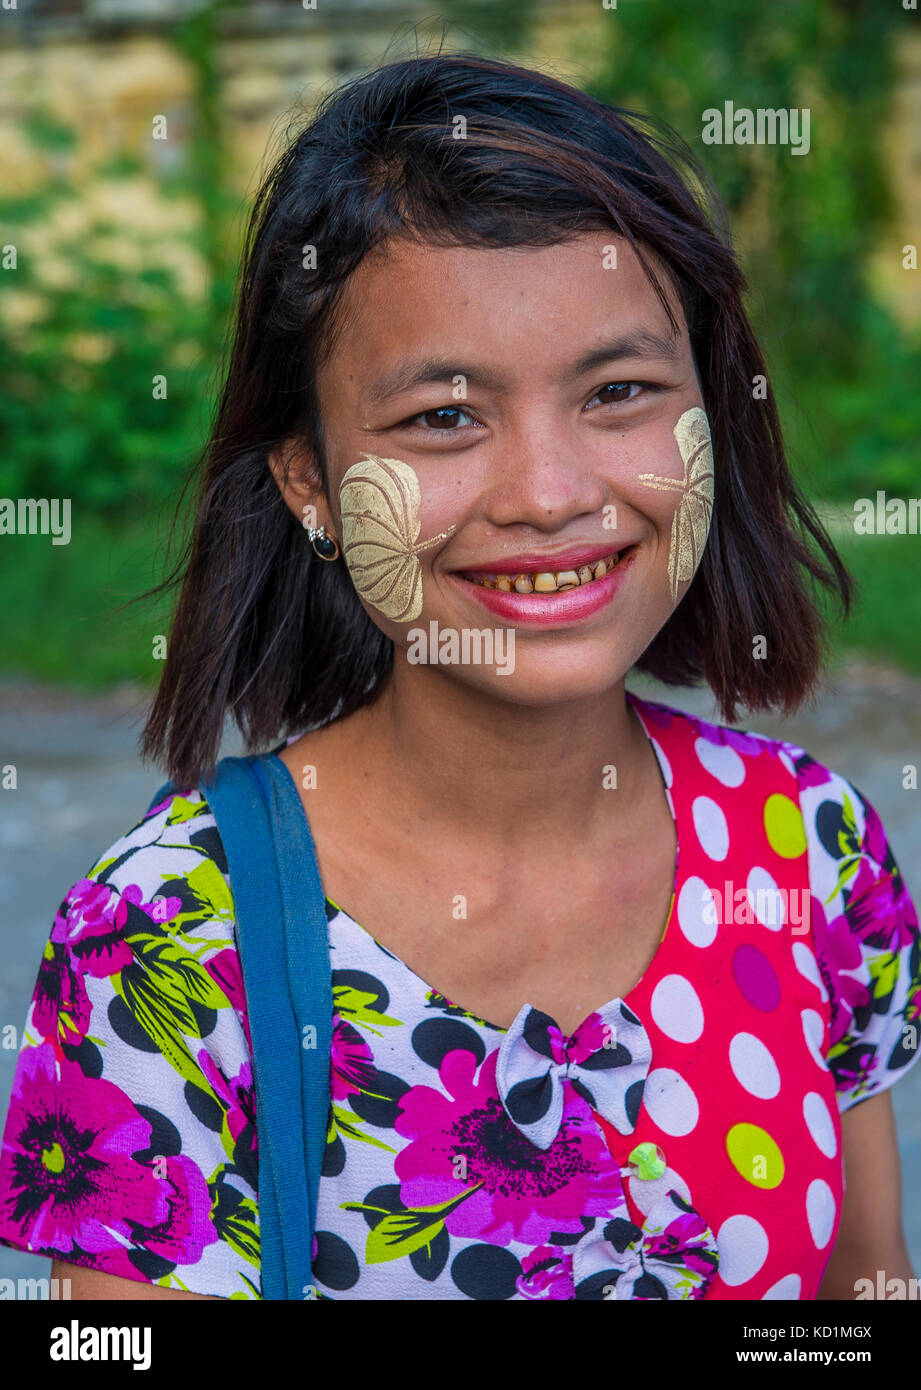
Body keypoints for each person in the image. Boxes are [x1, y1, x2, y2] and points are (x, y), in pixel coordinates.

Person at [0, 52, 918, 1302]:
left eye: (621, 391)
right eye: (443, 415)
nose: (550, 494)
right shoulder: (161, 945)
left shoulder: (812, 851)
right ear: (308, 481)